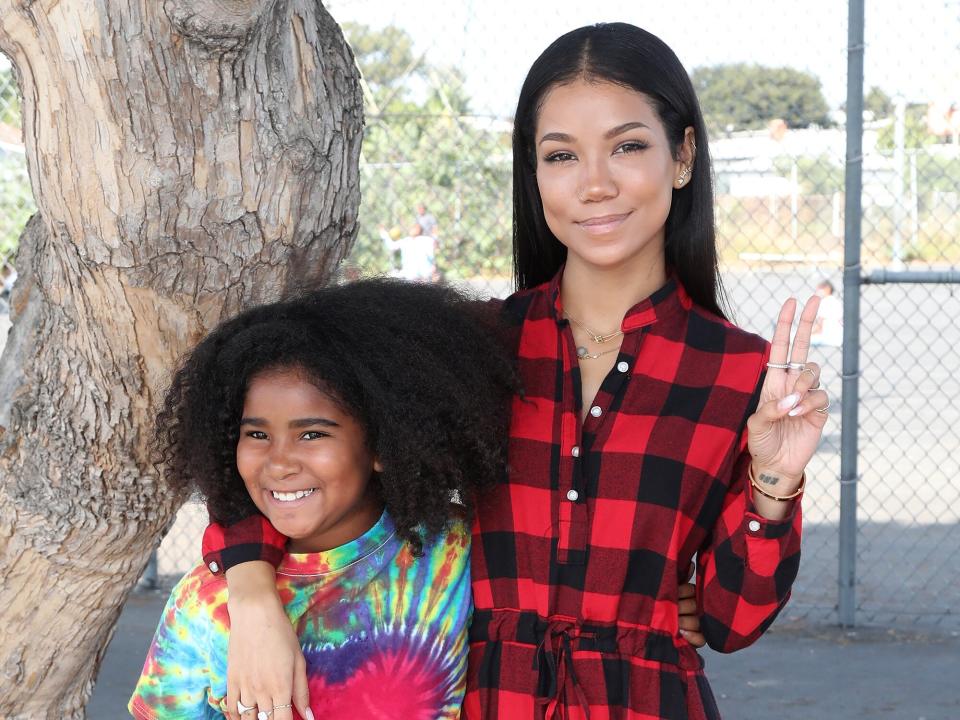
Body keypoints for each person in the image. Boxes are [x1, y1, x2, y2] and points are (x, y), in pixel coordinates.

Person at [202, 23, 828, 720]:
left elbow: (732, 621)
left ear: (682, 157)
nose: (595, 185)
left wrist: (774, 480)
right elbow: (291, 471)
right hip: (477, 699)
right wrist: (253, 596)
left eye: (627, 146)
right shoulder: (466, 346)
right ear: (533, 172)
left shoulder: (741, 373)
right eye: (561, 155)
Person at [128, 279, 518, 720]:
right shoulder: (204, 606)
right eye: (257, 434)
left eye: (312, 434)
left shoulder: (454, 549)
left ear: (381, 445)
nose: (278, 463)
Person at [811, 279, 843, 347]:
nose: (816, 292)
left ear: (827, 289)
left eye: (818, 289)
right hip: (838, 338)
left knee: (795, 340)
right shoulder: (836, 302)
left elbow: (819, 327)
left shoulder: (824, 302)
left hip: (826, 338)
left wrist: (806, 334)